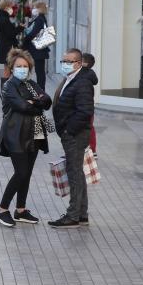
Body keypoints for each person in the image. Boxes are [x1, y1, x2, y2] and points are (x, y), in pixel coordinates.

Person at [0, 49, 53, 227]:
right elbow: (22, 106)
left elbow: (47, 101)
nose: (22, 69)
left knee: (26, 174)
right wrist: (35, 103)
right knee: (20, 172)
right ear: (12, 68)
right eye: (19, 66)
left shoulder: (31, 84)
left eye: (25, 66)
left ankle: (20, 210)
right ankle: (2, 209)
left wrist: (33, 102)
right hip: (15, 133)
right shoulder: (9, 86)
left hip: (34, 133)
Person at [49, 48, 96, 228]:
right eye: (63, 61)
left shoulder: (82, 82)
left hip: (75, 135)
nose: (64, 64)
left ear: (78, 63)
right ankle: (81, 214)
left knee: (74, 174)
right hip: (71, 134)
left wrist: (69, 131)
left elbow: (85, 111)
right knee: (77, 172)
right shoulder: (72, 78)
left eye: (68, 62)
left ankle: (73, 216)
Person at [0, 0, 24, 90]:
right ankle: (5, 91)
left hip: (4, 47)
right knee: (7, 71)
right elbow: (10, 34)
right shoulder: (4, 19)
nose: (12, 8)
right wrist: (20, 28)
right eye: (11, 6)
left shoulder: (2, 17)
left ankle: (6, 90)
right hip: (6, 48)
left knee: (7, 69)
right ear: (6, 7)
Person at [22, 1, 50, 90]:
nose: (33, 9)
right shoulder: (39, 18)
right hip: (38, 49)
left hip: (38, 49)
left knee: (40, 71)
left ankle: (41, 90)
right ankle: (41, 89)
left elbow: (33, 33)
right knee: (39, 71)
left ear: (39, 8)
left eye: (34, 7)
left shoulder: (39, 19)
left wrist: (25, 38)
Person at [81, 53, 98, 156]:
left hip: (85, 107)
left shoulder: (83, 74)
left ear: (85, 63)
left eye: (80, 60)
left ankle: (91, 149)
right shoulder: (90, 74)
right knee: (89, 128)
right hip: (89, 107)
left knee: (88, 128)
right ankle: (91, 149)